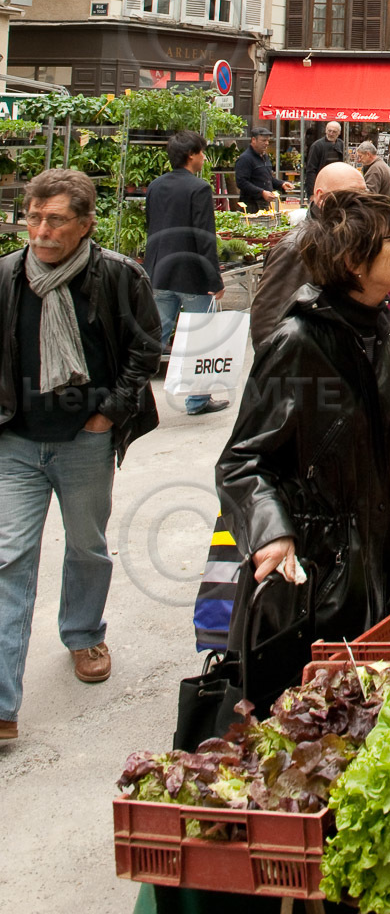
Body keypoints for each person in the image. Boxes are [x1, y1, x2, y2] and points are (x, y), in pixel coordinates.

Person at [217, 194, 390, 648]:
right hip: (322, 581)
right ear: (356, 262)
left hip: (385, 564)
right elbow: (242, 462)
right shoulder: (297, 343)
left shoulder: (382, 330)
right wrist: (272, 534)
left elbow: (371, 429)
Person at [0, 169, 160, 742]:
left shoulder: (118, 275)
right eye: (34, 218)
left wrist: (107, 415)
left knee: (87, 546)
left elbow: (146, 348)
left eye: (56, 220)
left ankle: (82, 632)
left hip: (84, 440)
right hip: (16, 439)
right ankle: (2, 703)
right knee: (11, 557)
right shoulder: (8, 276)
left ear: (86, 224)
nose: (41, 231)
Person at [144, 131, 225, 417]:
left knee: (154, 338)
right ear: (191, 154)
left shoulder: (155, 186)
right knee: (199, 339)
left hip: (159, 272)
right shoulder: (199, 188)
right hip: (191, 275)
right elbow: (204, 237)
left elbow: (150, 225)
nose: (204, 157)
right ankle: (197, 400)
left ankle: (131, 394)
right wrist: (214, 278)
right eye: (202, 152)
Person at [249, 163, 366, 351]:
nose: (361, 203)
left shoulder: (345, 237)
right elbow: (266, 323)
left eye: (364, 195)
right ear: (320, 197)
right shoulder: (298, 247)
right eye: (351, 196)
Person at [234, 131, 283, 213]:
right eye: (263, 140)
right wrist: (261, 192)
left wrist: (282, 184)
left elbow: (268, 178)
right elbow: (241, 182)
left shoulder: (264, 157)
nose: (267, 143)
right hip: (251, 205)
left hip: (264, 204)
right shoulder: (245, 158)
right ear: (253, 140)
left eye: (268, 141)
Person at [303, 122, 343, 198]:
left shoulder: (341, 144)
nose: (331, 133)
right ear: (325, 130)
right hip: (322, 184)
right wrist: (312, 192)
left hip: (337, 184)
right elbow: (311, 170)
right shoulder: (317, 146)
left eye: (334, 132)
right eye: (329, 130)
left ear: (339, 133)